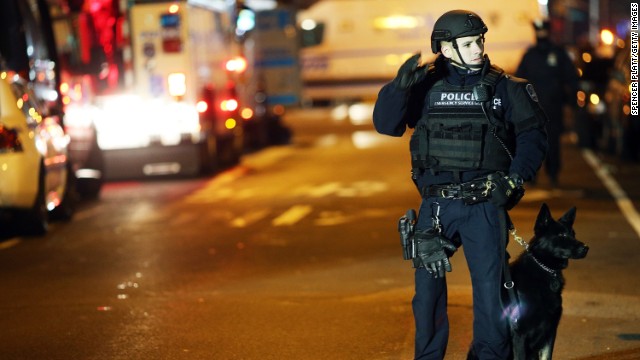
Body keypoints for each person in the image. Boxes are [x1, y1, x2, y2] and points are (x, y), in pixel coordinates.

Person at [372, 10, 548, 360]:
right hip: (436, 207)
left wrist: (514, 179)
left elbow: (533, 137)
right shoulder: (424, 87)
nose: (478, 48)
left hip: (483, 204)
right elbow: (386, 125)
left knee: (489, 295)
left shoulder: (506, 88)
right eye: (468, 43)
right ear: (446, 49)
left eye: (480, 40)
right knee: (426, 297)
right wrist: (397, 88)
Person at [516, 19, 578, 187]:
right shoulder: (530, 55)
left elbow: (571, 78)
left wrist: (571, 102)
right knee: (532, 142)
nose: (541, 34)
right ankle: (533, 175)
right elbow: (518, 80)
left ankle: (553, 174)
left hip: (553, 107)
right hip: (533, 109)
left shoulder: (558, 53)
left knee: (552, 143)